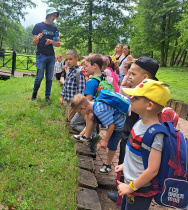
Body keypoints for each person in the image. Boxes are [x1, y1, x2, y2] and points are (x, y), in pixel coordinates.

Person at [108, 56, 161, 202]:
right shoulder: (140, 91)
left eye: (133, 74)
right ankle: (122, 195)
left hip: (138, 147)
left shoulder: (150, 95)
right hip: (131, 136)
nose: (129, 77)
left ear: (145, 77)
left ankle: (124, 194)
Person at [116, 79, 171, 209]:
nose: (131, 98)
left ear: (149, 105)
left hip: (140, 188)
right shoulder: (140, 122)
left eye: (135, 97)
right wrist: (125, 165)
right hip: (130, 183)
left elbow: (153, 170)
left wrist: (130, 187)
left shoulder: (156, 135)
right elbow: (137, 151)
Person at [71, 93, 126, 174]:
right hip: (112, 120)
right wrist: (85, 131)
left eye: (79, 112)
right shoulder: (93, 104)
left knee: (112, 145)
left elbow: (111, 126)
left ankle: (108, 165)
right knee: (90, 115)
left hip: (118, 125)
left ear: (83, 107)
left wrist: (105, 141)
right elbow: (90, 117)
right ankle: (87, 136)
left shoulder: (99, 110)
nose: (79, 114)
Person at [31, 7, 61, 103]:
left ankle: (47, 96)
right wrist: (38, 38)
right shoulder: (38, 26)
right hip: (41, 55)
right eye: (53, 15)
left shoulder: (54, 28)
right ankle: (34, 93)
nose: (54, 17)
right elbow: (34, 43)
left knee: (49, 78)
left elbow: (58, 44)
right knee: (39, 76)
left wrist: (51, 41)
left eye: (56, 15)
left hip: (51, 56)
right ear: (48, 15)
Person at [60, 50, 85, 122]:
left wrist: (78, 103)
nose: (68, 61)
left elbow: (81, 90)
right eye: (66, 59)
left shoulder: (79, 73)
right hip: (68, 100)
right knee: (68, 117)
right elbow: (65, 85)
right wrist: (62, 97)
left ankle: (82, 130)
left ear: (76, 59)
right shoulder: (69, 71)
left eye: (70, 59)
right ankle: (71, 129)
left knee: (71, 119)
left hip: (74, 102)